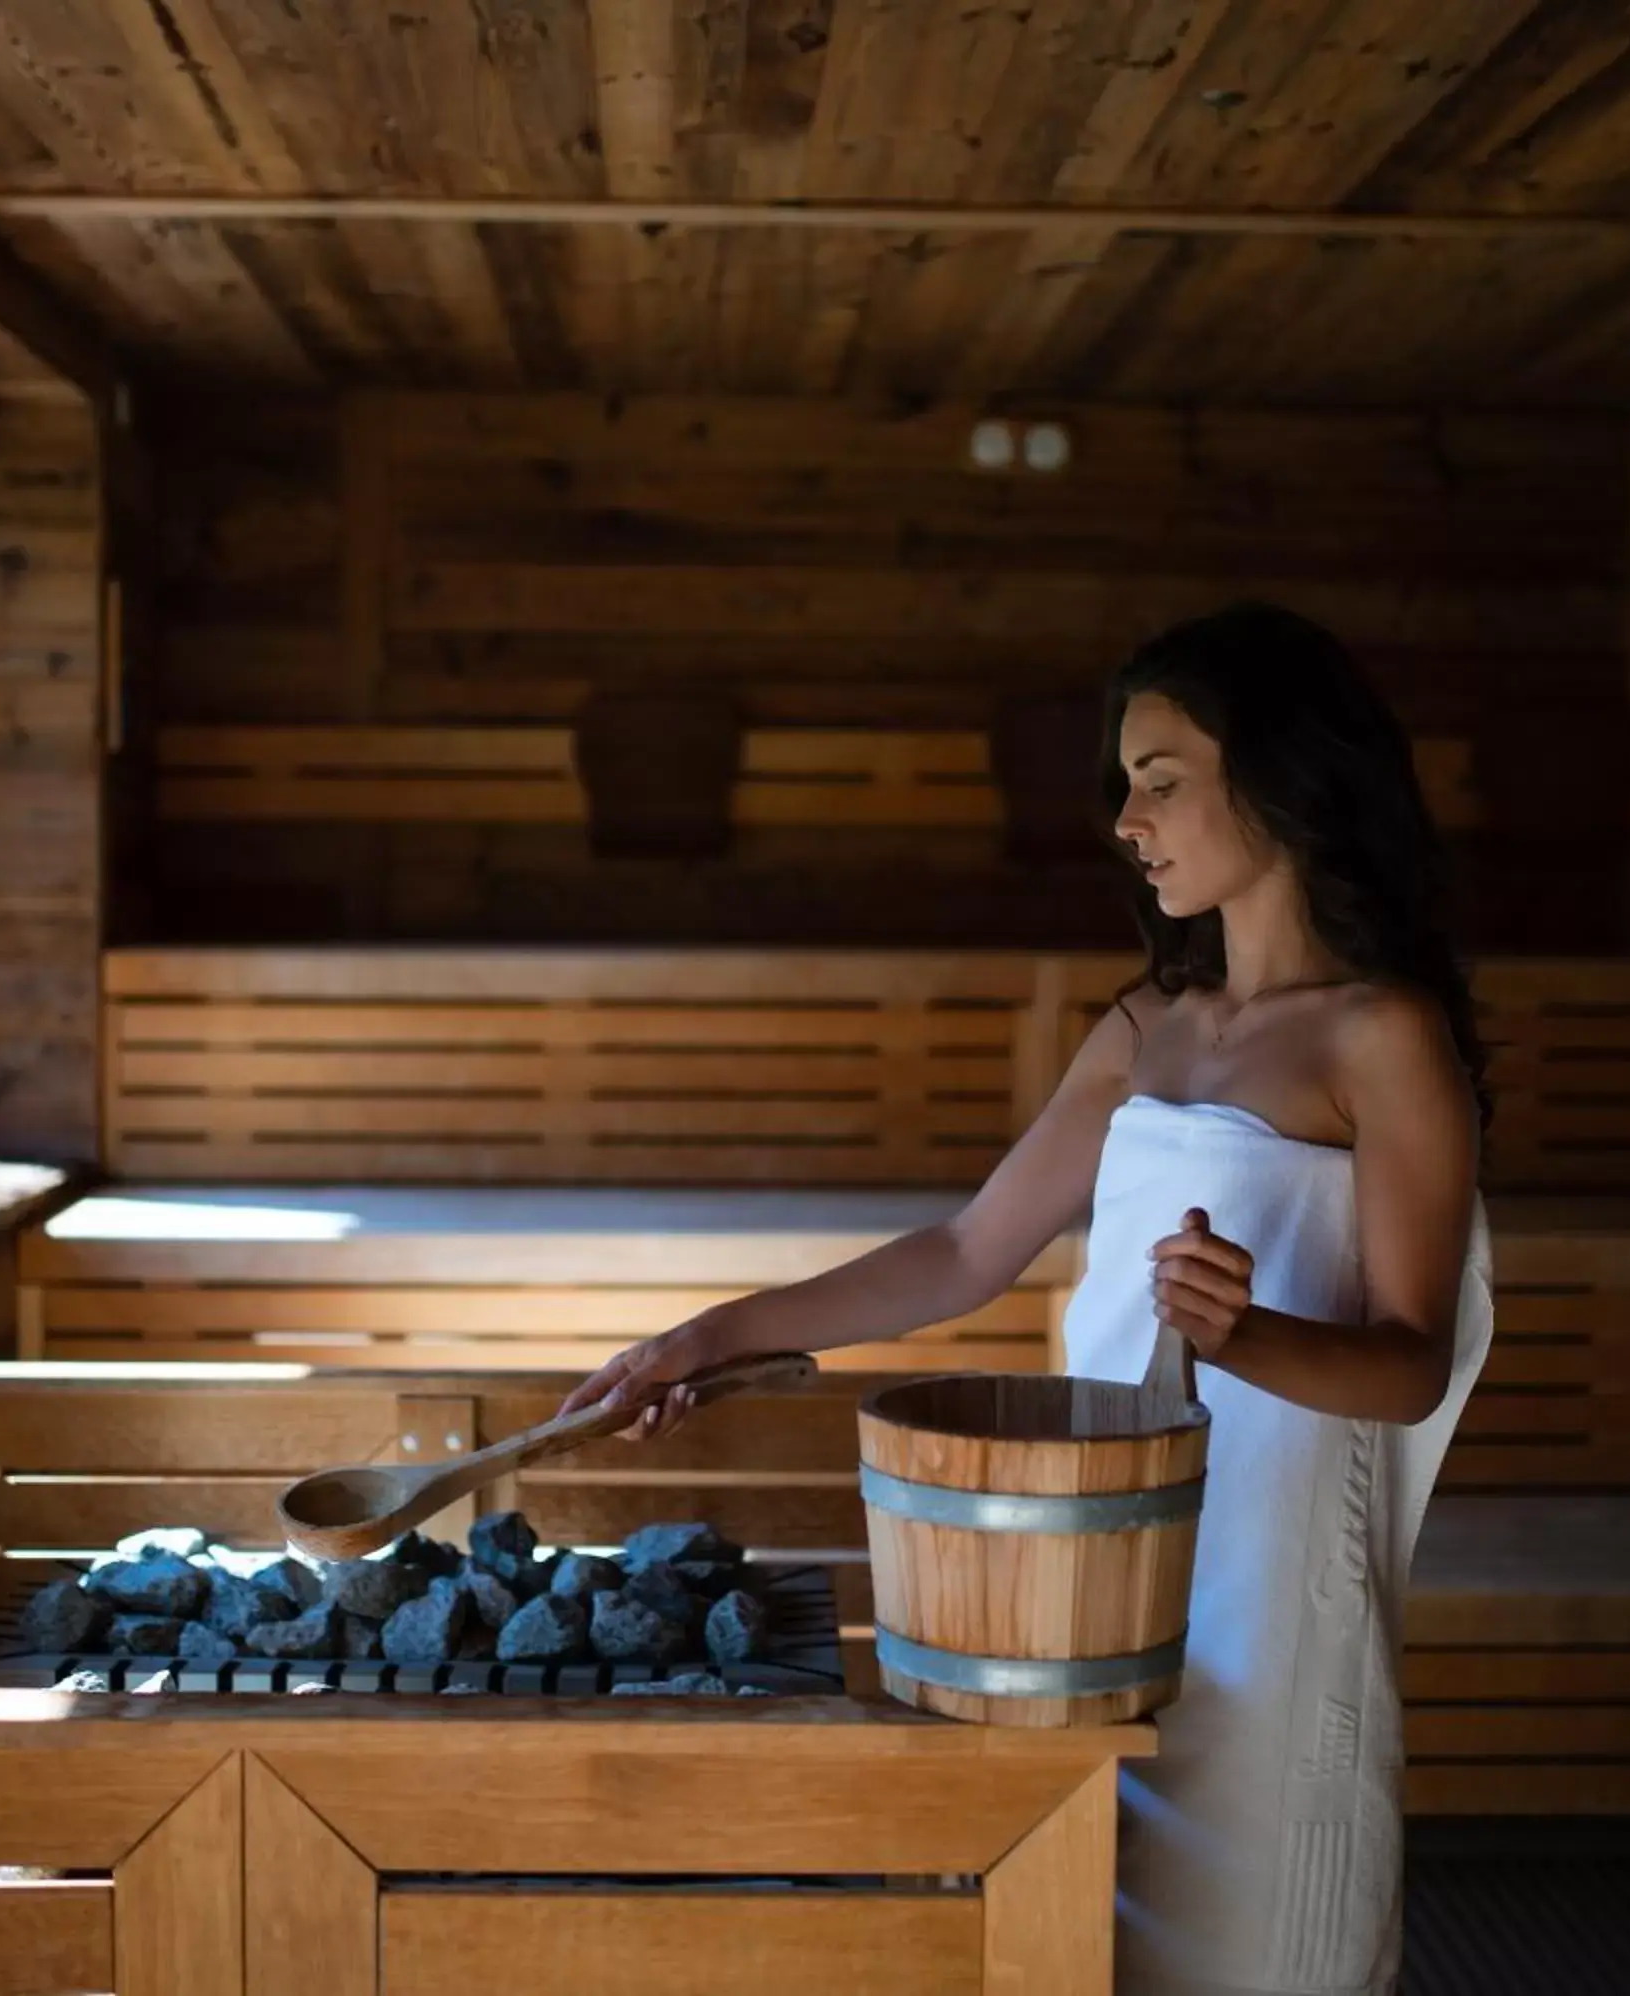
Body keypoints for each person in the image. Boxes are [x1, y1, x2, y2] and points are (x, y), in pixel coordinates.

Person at [558, 599, 1495, 1996]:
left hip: (1270, 1561)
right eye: (1123, 786)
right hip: (1095, 1564)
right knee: (1083, 1936)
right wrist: (709, 1335)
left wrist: (1249, 1335)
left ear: (1284, 773)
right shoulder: (1145, 1031)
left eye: (1161, 779)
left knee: (1261, 1945)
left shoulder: (1384, 1038)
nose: (1129, 819)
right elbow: (963, 1251)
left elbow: (1413, 1365)